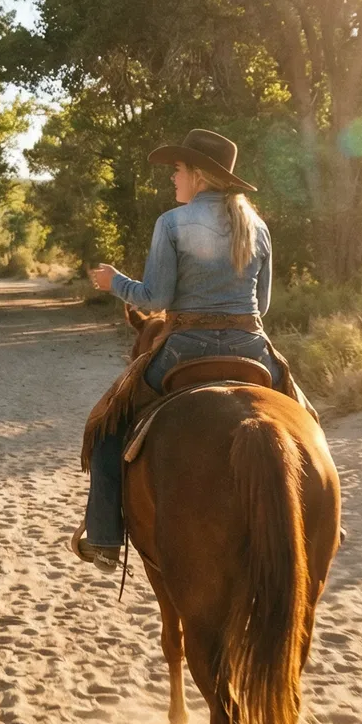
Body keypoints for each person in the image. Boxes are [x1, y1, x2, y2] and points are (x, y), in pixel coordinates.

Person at [72, 127, 287, 573]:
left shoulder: (172, 223)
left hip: (185, 348)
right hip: (253, 346)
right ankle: (325, 515)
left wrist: (117, 283)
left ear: (199, 175)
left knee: (109, 422)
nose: (173, 177)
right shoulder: (257, 226)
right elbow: (263, 305)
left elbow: (154, 299)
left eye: (178, 169)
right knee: (307, 417)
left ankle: (106, 537)